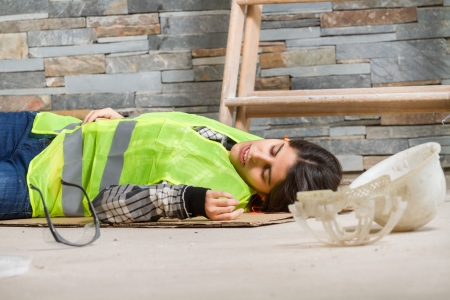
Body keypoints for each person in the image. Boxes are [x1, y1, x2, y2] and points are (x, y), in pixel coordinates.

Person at [0, 108, 342, 223]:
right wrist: (123, 120)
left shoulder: (221, 196)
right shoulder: (239, 138)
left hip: (35, 184)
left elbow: (106, 206)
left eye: (265, 173)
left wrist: (187, 201)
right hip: (44, 128)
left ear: (264, 199)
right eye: (272, 150)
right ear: (283, 139)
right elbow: (167, 131)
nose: (255, 155)